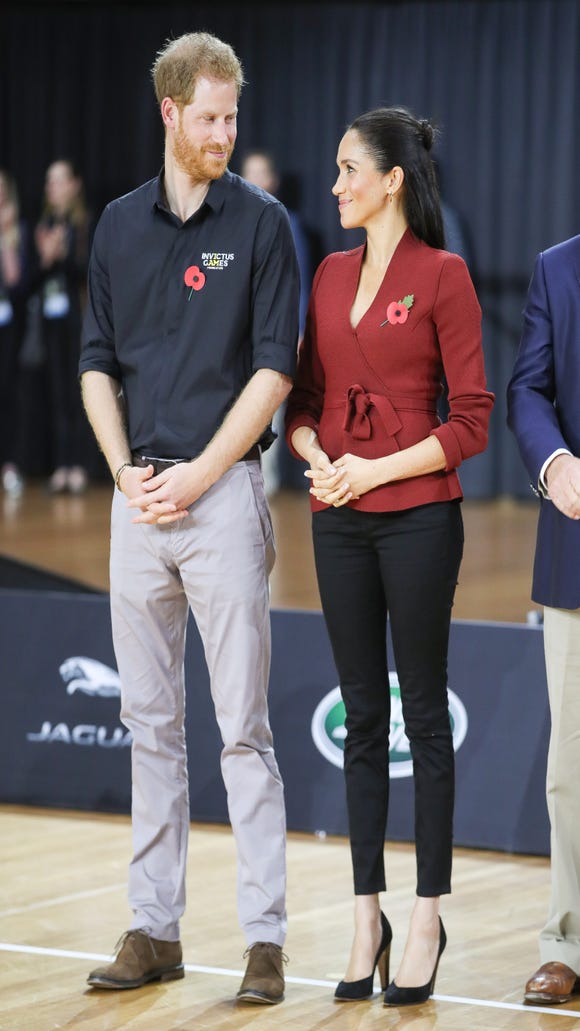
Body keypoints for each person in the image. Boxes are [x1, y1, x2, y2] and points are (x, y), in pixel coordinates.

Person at [79, 32, 299, 1003]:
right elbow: (95, 363)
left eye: (232, 117)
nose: (225, 132)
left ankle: (264, 940)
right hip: (139, 504)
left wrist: (204, 473)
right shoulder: (117, 228)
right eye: (209, 117)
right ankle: (151, 927)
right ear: (168, 114)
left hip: (224, 500)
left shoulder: (262, 226)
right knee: (148, 724)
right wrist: (124, 469)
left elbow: (273, 370)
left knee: (241, 728)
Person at [285, 106, 494, 1006]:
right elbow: (300, 402)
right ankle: (365, 913)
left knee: (423, 722)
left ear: (392, 180)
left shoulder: (445, 276)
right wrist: (320, 461)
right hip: (337, 517)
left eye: (347, 169)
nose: (334, 185)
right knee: (362, 719)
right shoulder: (327, 274)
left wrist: (375, 467)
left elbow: (471, 420)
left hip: (417, 520)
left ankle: (424, 915)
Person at [507, 235, 580, 1006]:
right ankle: (568, 940)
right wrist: (556, 463)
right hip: (577, 546)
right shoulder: (557, 268)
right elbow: (528, 389)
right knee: (570, 769)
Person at [241, 149, 314, 493]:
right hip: (241, 332)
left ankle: (265, 478)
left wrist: (300, 329)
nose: (254, 180)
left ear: (272, 180)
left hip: (274, 332)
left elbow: (299, 281)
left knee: (272, 403)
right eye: (248, 172)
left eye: (260, 173)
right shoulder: (233, 222)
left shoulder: (288, 222)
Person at [33, 159, 91, 494]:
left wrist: (62, 254)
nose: (52, 188)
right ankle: (62, 465)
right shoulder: (44, 224)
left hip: (78, 321)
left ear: (73, 185)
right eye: (48, 182)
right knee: (56, 394)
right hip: (51, 323)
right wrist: (45, 259)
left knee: (78, 393)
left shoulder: (83, 224)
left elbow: (86, 272)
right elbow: (33, 281)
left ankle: (80, 465)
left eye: (58, 181)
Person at [0, 170, 28, 497]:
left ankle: (9, 464)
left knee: (7, 394)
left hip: (8, 326)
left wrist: (5, 235)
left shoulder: (16, 230)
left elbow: (15, 277)